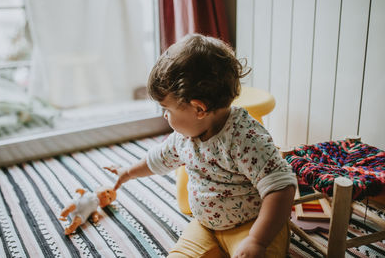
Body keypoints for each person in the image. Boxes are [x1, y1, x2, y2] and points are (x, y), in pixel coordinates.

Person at [106, 34, 296, 258]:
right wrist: (127, 172)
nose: (166, 116)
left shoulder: (246, 139)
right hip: (206, 226)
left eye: (167, 110)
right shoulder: (183, 138)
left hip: (253, 225)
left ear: (198, 109)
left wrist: (257, 240)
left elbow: (281, 187)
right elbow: (157, 159)